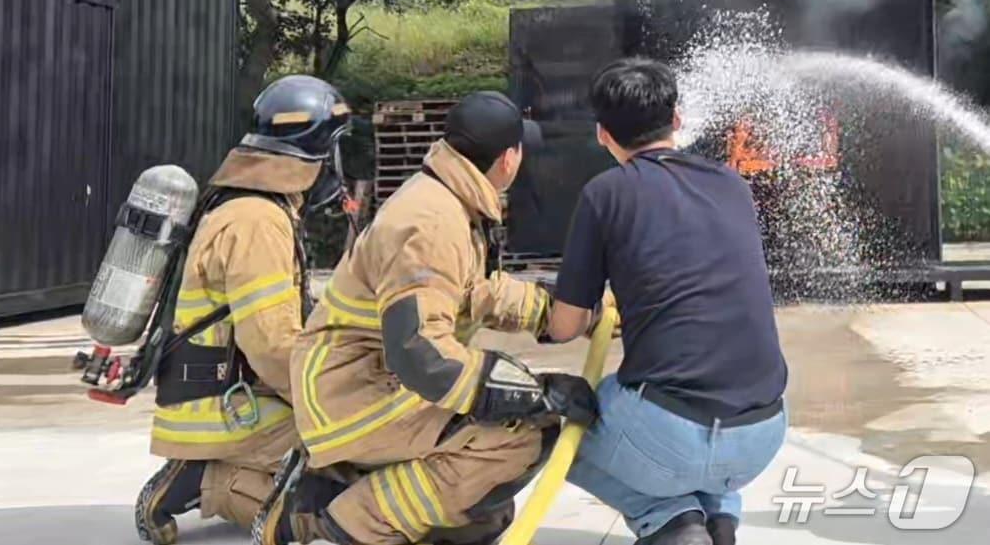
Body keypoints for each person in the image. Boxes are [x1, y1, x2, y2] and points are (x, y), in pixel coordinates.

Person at [253, 91, 598, 545]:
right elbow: (421, 354)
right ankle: (352, 517)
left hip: (366, 383)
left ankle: (332, 486)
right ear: (509, 158)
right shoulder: (432, 222)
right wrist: (531, 394)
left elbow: (473, 291)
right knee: (517, 438)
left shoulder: (447, 198)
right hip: (355, 392)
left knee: (482, 515)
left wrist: (560, 314)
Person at [547, 58, 789, 545]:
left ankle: (672, 520)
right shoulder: (732, 185)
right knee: (680, 405)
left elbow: (564, 326)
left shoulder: (605, 194)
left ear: (601, 134)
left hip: (671, 435)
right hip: (765, 430)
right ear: (676, 119)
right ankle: (719, 517)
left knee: (544, 429)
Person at [136, 75, 353, 544]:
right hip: (228, 406)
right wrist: (338, 400)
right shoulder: (257, 222)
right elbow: (272, 348)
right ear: (315, 151)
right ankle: (214, 480)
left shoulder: (247, 207)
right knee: (356, 475)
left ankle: (208, 467)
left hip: (213, 398)